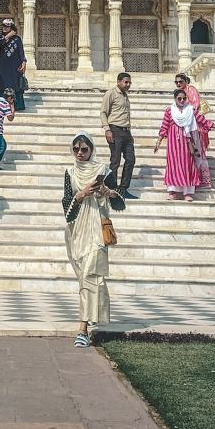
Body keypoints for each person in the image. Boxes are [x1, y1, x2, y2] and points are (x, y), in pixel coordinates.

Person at [62, 132, 125, 348]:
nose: (79, 153)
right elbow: (67, 210)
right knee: (87, 278)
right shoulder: (70, 172)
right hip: (77, 232)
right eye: (76, 149)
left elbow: (120, 203)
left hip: (97, 231)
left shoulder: (103, 170)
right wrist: (80, 196)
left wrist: (108, 192)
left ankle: (83, 329)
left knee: (89, 276)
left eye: (84, 149)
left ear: (91, 150)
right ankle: (92, 314)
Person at [155, 88, 199, 201]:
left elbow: (202, 120)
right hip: (173, 143)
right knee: (173, 165)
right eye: (179, 98)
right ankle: (172, 191)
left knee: (187, 165)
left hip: (187, 142)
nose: (182, 100)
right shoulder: (170, 111)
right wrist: (159, 141)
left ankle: (187, 193)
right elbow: (164, 126)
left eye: (184, 98)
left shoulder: (191, 110)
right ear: (175, 99)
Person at [99, 73, 138, 200]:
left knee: (131, 159)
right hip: (115, 130)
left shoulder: (125, 96)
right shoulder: (111, 93)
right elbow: (103, 112)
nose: (128, 85)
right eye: (126, 82)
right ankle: (112, 189)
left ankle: (123, 188)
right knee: (115, 161)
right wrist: (107, 129)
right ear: (118, 82)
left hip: (126, 131)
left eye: (129, 83)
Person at [175, 73, 213, 188]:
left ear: (186, 81)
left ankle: (203, 180)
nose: (178, 84)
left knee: (198, 151)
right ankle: (192, 178)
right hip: (187, 125)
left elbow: (194, 106)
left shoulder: (191, 90)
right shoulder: (181, 93)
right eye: (176, 82)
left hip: (195, 125)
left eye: (180, 81)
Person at [0, 19, 27, 113]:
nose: (5, 28)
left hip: (15, 66)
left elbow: (21, 51)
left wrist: (24, 61)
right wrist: (8, 36)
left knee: (14, 85)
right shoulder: (1, 37)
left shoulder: (17, 39)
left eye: (7, 27)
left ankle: (16, 106)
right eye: (4, 26)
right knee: (0, 84)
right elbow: (0, 43)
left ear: (11, 27)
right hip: (3, 66)